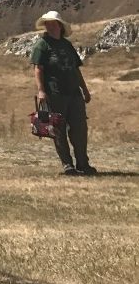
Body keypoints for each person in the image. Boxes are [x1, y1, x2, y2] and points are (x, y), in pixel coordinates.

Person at [30, 10, 96, 176]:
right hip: (55, 93)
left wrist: (84, 89)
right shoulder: (42, 45)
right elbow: (38, 69)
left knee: (80, 129)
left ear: (60, 26)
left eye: (53, 23)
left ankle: (83, 164)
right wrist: (41, 90)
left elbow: (76, 69)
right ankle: (68, 165)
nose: (50, 26)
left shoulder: (67, 45)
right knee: (58, 130)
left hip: (74, 93)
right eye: (47, 23)